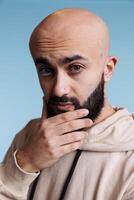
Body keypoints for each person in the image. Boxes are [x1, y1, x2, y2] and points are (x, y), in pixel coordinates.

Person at [0, 7, 134, 200]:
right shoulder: (29, 138)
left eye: (75, 67)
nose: (58, 89)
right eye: (46, 70)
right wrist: (25, 163)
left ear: (108, 69)